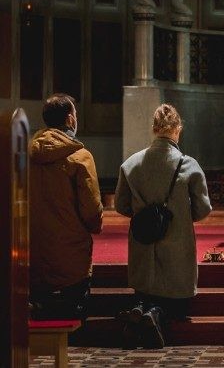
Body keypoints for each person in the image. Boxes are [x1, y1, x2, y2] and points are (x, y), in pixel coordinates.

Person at [114, 104, 212, 349]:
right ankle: (156, 314)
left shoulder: (130, 164)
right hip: (176, 251)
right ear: (178, 129)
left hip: (143, 245)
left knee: (145, 291)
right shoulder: (188, 165)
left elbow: (121, 205)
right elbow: (203, 209)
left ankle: (141, 310)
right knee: (177, 306)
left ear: (154, 129)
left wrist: (145, 214)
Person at [29, 94, 103, 322]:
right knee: (74, 312)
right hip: (71, 254)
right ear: (70, 119)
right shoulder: (80, 157)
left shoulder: (25, 155)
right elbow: (91, 210)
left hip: (34, 252)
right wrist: (94, 226)